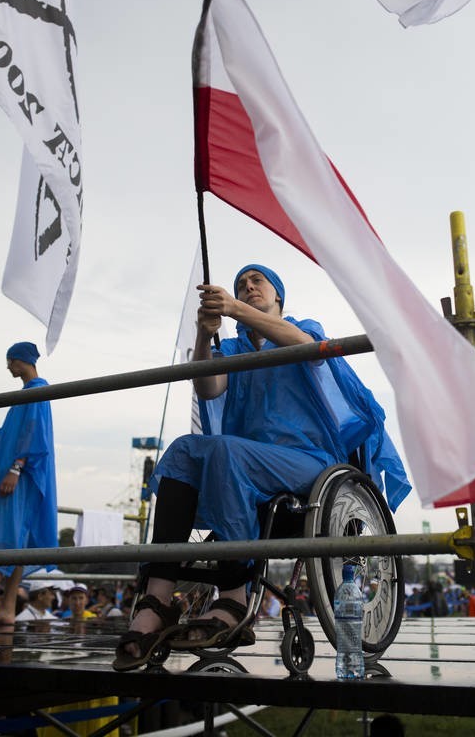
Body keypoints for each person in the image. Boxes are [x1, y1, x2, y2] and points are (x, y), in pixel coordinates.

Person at [113, 264, 410, 671]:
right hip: (243, 464)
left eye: (257, 282)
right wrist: (204, 332)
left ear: (279, 298)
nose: (248, 287)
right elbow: (207, 386)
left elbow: (302, 344)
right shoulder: (233, 350)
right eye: (240, 284)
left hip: (309, 464)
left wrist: (234, 307)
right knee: (183, 451)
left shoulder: (301, 327)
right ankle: (157, 598)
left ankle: (234, 595)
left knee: (226, 451)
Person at [0, 342, 57, 625]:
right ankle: (7, 608)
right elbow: (8, 436)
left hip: (21, 478)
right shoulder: (26, 394)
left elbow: (33, 434)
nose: (7, 366)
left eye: (10, 361)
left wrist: (16, 469)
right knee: (21, 540)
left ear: (21, 361)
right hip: (20, 476)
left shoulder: (37, 390)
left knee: (3, 538)